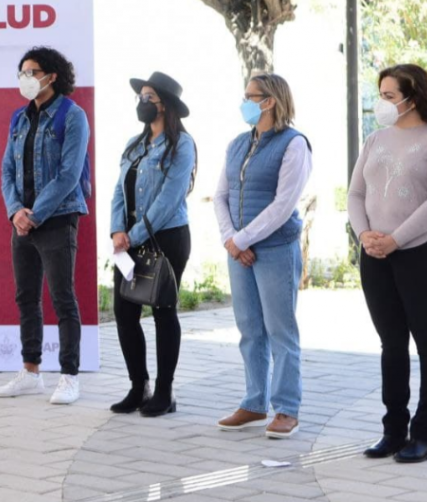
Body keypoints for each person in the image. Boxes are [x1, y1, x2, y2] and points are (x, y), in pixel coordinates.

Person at [349, 64, 427, 463]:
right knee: (391, 344)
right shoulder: (375, 139)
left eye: (388, 96)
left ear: (412, 97)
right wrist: (366, 236)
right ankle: (393, 431)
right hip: (376, 255)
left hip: (425, 253)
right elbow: (356, 194)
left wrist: (396, 239)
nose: (381, 103)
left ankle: (425, 434)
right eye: (380, 95)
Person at [213, 73, 311, 439]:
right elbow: (220, 195)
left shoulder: (294, 144)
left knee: (280, 329)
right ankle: (254, 403)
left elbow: (283, 204)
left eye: (250, 96)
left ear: (269, 101)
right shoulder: (238, 143)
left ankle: (287, 408)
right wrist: (231, 240)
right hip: (239, 251)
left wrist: (243, 238)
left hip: (275, 249)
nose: (245, 102)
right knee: (250, 329)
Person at [0, 46, 91, 405]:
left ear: (51, 76)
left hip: (57, 217)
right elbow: (6, 170)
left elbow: (69, 175)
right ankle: (30, 370)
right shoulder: (19, 119)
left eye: (32, 72)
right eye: (22, 72)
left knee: (62, 298)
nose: (26, 78)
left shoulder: (72, 116)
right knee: (26, 297)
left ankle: (69, 376)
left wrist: (34, 214)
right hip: (22, 222)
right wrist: (16, 212)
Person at [108, 72, 196, 417]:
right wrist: (118, 230)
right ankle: (137, 387)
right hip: (127, 239)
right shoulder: (134, 144)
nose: (143, 103)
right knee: (124, 311)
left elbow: (170, 199)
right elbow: (119, 190)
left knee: (162, 311)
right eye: (140, 97)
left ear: (165, 105)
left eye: (149, 98)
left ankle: (164, 392)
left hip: (167, 238)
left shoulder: (182, 145)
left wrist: (135, 234)